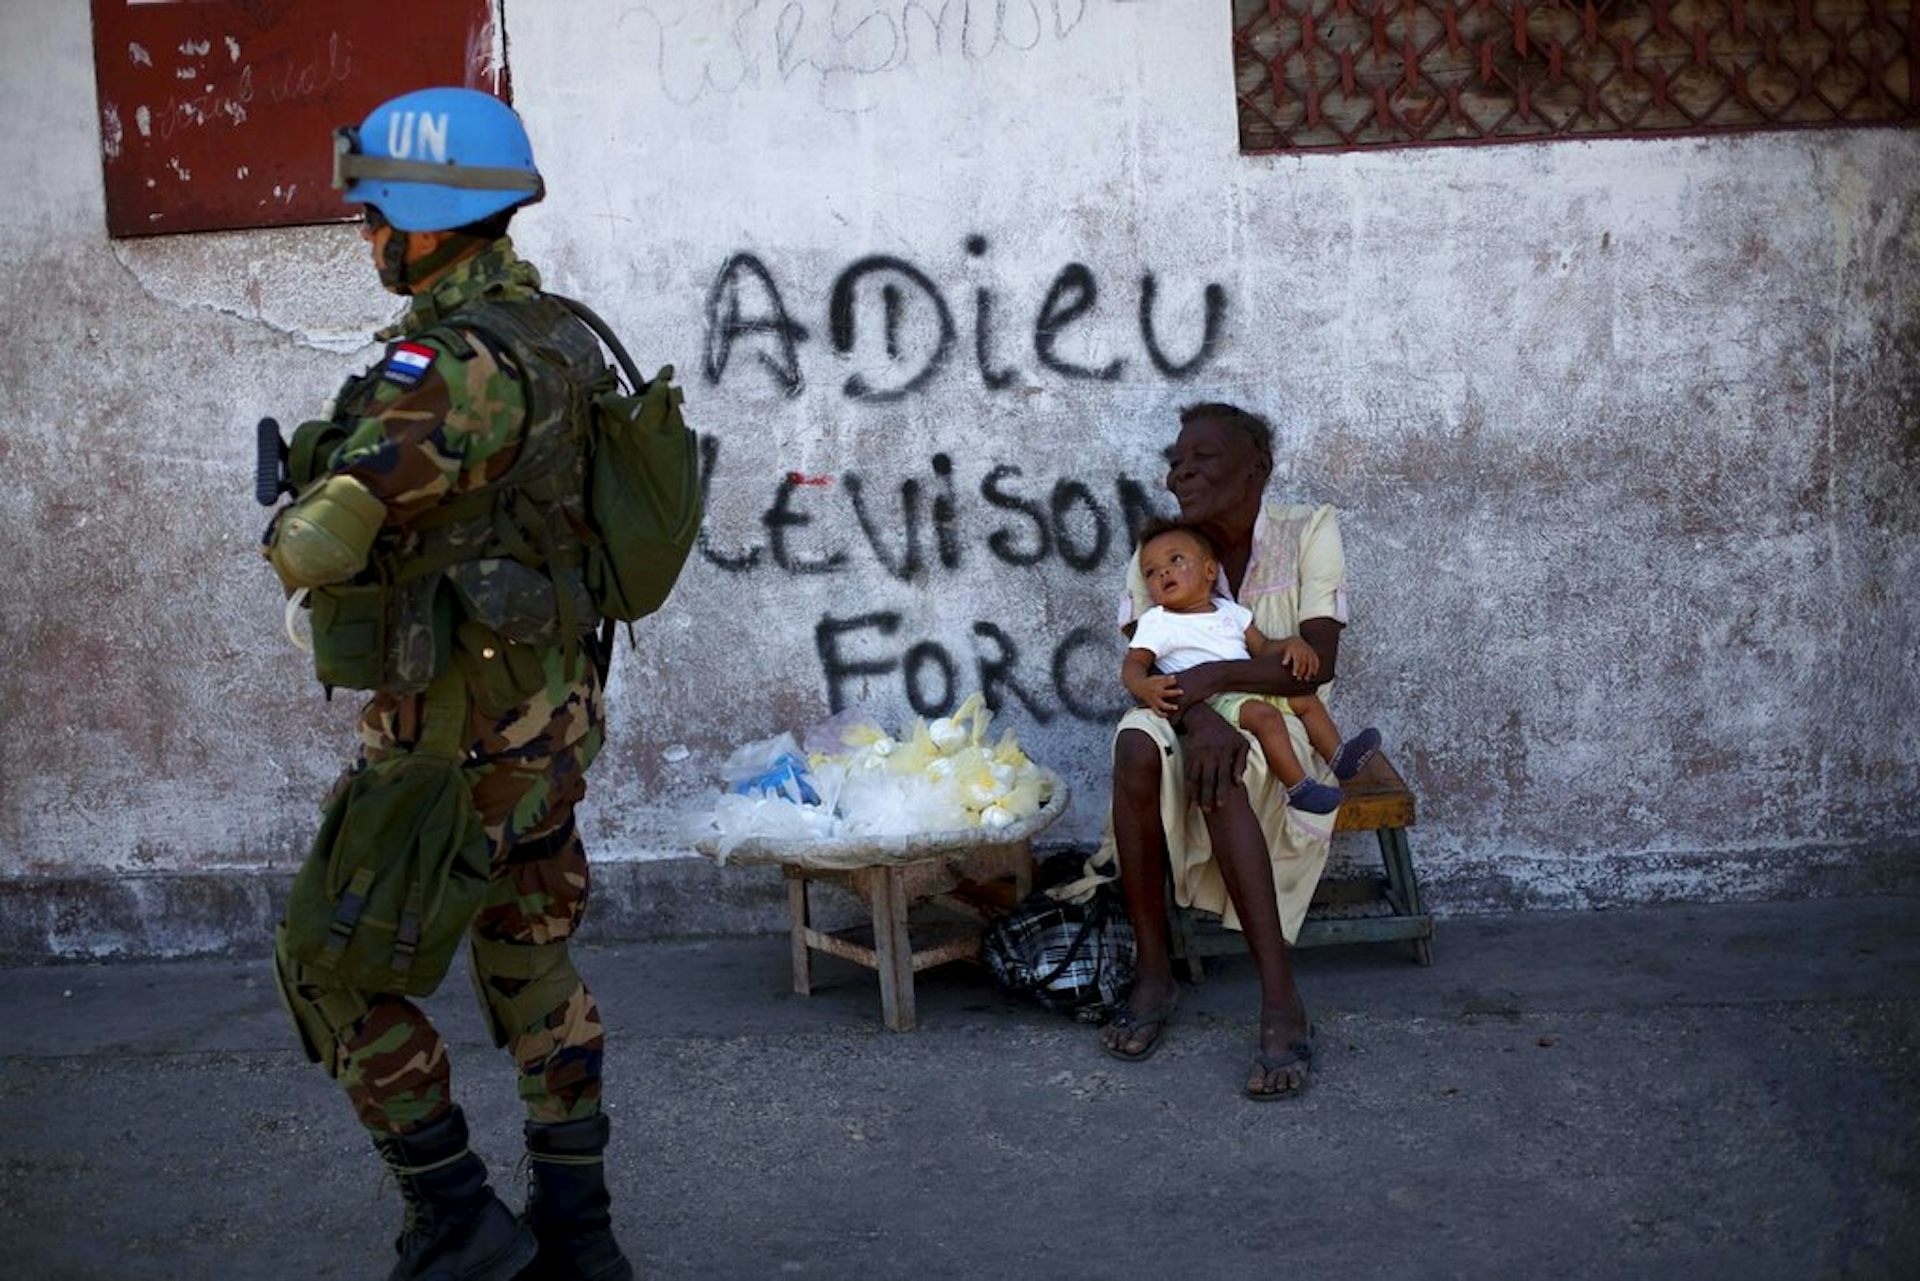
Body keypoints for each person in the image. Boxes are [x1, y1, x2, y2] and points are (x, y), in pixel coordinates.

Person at [263, 88, 634, 1280]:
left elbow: (321, 542)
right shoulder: (561, 333)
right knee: (530, 952)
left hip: (451, 741)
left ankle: (461, 1219)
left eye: (375, 213)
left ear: (429, 218)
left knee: (328, 966)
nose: (367, 234)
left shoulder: (444, 367)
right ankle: (582, 1239)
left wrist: (289, 527)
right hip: (554, 721)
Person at [1093, 403, 1352, 1100]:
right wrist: (1200, 707)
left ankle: (1279, 995)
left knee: (1228, 761)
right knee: (1135, 748)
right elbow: (1146, 668)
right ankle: (1155, 972)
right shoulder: (1160, 550)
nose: (1182, 469)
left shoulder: (1308, 530)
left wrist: (1213, 682)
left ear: (1256, 466)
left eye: (1203, 456)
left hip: (1277, 721)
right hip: (1176, 713)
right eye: (1176, 459)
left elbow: (1315, 662)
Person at [1121, 520, 1380, 816]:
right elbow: (1134, 663)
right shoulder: (1158, 621)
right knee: (1264, 715)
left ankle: (1339, 758)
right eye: (1150, 572)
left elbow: (1263, 648)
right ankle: (1299, 788)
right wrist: (1141, 685)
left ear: (1209, 571)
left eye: (1175, 560)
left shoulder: (1231, 612)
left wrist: (1291, 644)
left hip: (1247, 688)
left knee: (1305, 699)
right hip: (1212, 701)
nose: (1163, 572)